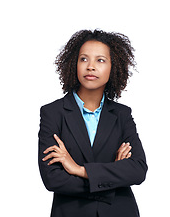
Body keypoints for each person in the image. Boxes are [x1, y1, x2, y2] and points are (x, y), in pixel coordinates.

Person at [38, 29, 148, 217]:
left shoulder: (122, 114)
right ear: (74, 64)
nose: (91, 66)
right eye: (84, 59)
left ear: (113, 67)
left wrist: (78, 170)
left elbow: (138, 170)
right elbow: (53, 179)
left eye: (100, 60)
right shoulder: (53, 113)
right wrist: (112, 178)